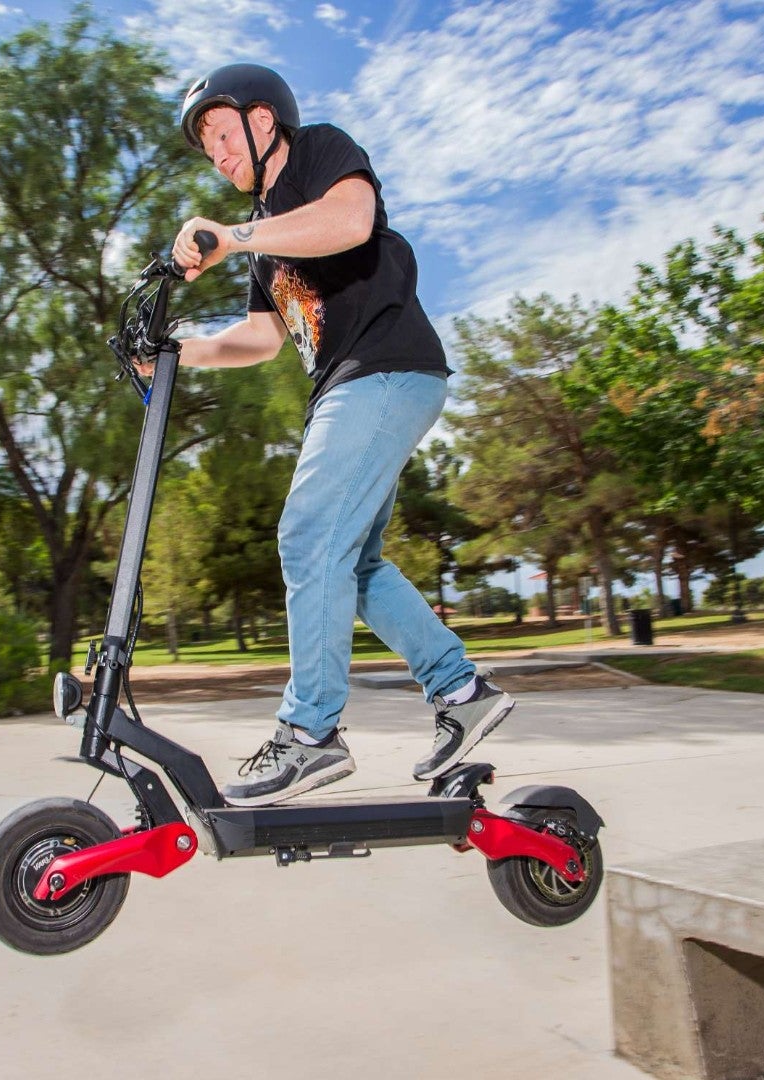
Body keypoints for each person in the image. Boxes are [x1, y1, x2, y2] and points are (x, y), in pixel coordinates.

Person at [163, 63, 513, 807]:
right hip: (352, 388)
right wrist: (176, 349)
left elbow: (351, 221)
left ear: (264, 120)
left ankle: (309, 735)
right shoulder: (262, 242)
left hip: (383, 369)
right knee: (352, 565)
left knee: (308, 535)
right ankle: (462, 690)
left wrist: (229, 235)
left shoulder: (319, 151)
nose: (218, 154)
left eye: (222, 134)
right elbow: (259, 341)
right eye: (207, 148)